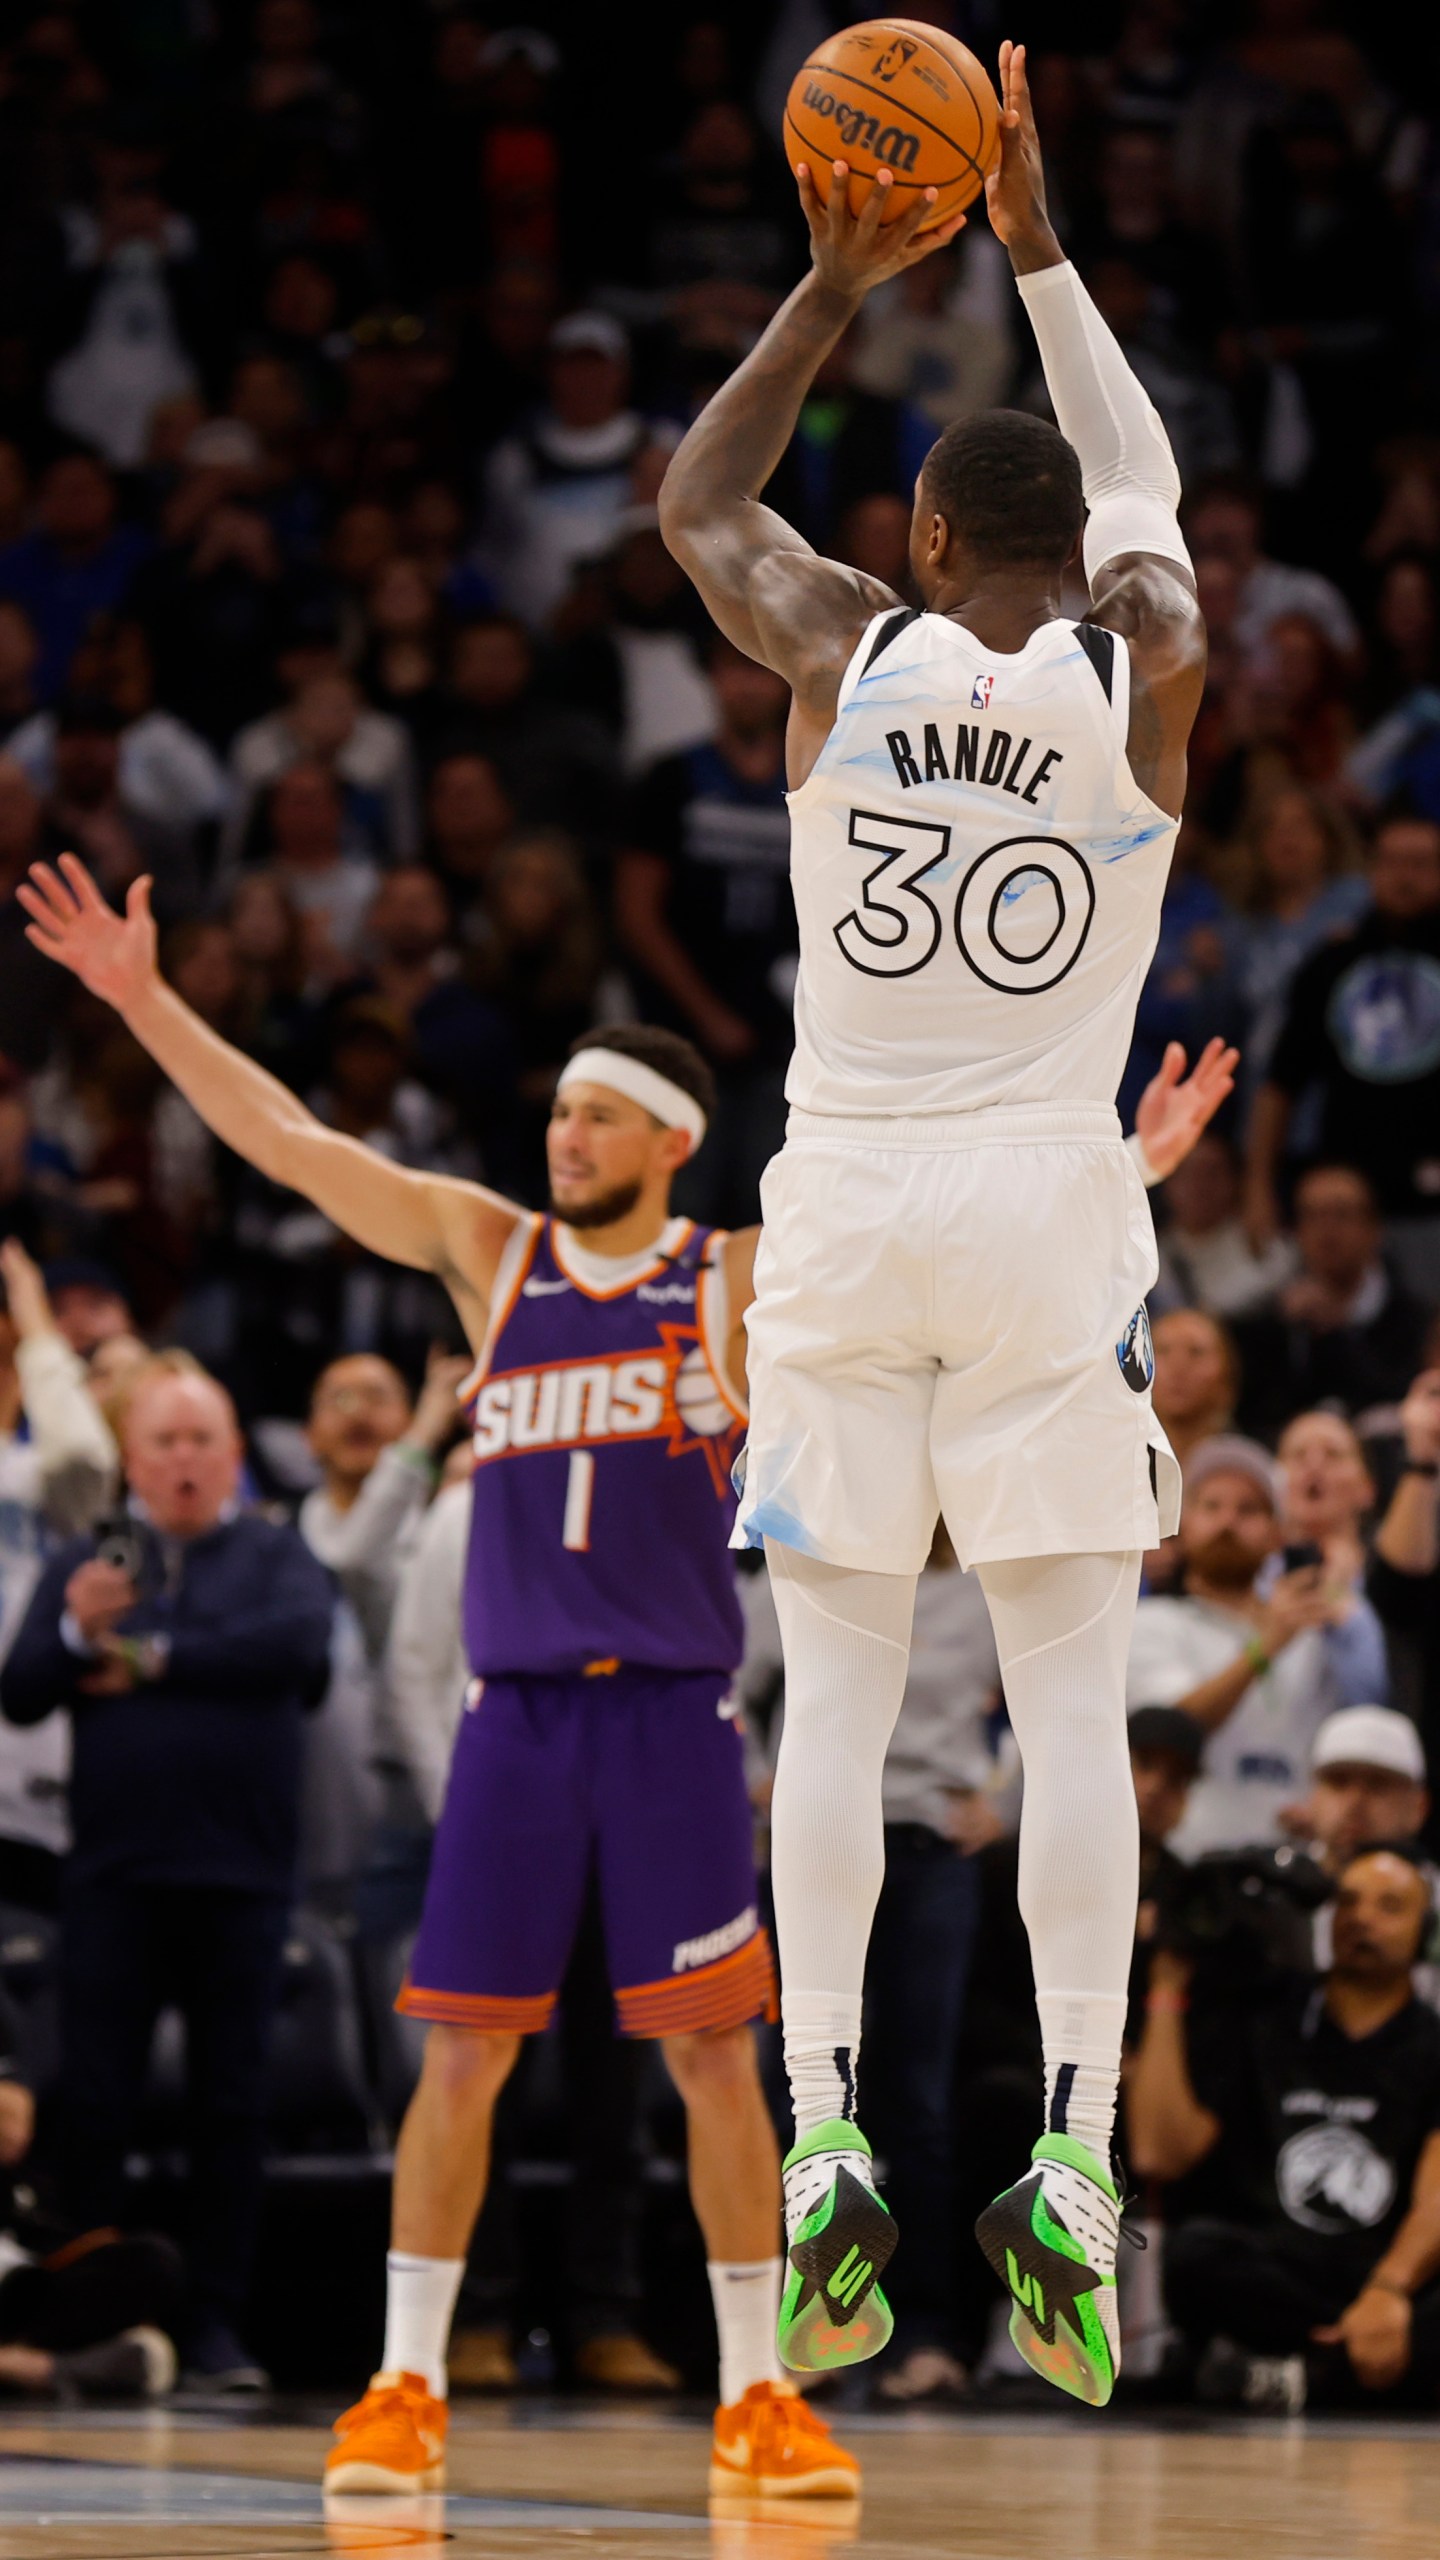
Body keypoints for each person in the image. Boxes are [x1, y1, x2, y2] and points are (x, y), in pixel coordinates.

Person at [10, 846, 863, 2503]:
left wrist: (1122, 1167)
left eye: (600, 1116)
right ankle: (404, 2385)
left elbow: (912, 1218)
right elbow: (292, 1140)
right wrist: (144, 1001)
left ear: (673, 1142)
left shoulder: (733, 1280)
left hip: (674, 1713)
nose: (567, 1135)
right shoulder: (497, 1256)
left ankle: (760, 2392)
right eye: (559, 1113)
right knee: (460, 2051)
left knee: (708, 2057)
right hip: (519, 1719)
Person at [657, 40, 1206, 2406]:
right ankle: (1069, 2146)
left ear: (904, 538)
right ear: (1056, 555)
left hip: (845, 1199)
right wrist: (1038, 242)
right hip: (1039, 1199)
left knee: (839, 1698)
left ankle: (822, 2142)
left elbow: (694, 497)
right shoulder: (1138, 675)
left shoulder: (831, 654)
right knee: (1069, 1687)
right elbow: (1146, 495)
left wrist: (823, 283)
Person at [0, 1359, 335, 2389]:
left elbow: (294, 1650)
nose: (185, 1459)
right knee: (95, 2104)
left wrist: (142, 1657)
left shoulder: (278, 1554)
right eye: (165, 1441)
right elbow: (21, 1689)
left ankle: (219, 2329)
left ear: (234, 1454)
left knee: (231, 2111)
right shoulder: (87, 1560)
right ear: (131, 1459)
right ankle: (90, 2318)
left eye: (202, 1440)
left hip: (240, 1878)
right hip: (112, 1877)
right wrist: (72, 1627)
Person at [1128, 1847, 1440, 2413]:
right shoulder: (1264, 2015)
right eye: (1348, 1902)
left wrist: (1388, 2291)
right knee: (1197, 2254)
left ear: (1425, 1933)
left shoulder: (1432, 2043)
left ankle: (1285, 2380)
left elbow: (1437, 2198)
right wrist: (1168, 1984)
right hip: (1280, 2273)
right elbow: (1157, 2154)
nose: (1362, 1918)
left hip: (1384, 2277)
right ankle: (1344, 2380)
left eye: (1390, 1906)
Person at [1127, 1435, 1388, 1859]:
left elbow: (1352, 1735)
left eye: (1248, 1510)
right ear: (1183, 1525)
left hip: (1293, 1866)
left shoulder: (1313, 1637)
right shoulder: (1150, 1624)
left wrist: (1326, 1805)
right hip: (1187, 1856)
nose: (1228, 1521)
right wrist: (1265, 1646)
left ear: (1277, 1533)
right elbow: (1169, 1726)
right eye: (1211, 1506)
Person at [1243, 812, 1440, 1297]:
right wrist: (1257, 1188)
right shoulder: (1334, 960)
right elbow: (1279, 1084)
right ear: (1372, 870)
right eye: (1392, 861)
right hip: (1344, 1199)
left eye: (1420, 863)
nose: (1404, 875)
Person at [1232, 1164, 1433, 1436]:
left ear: (1374, 1229)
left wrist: (1335, 1332)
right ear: (1296, 1231)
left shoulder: (1418, 1320)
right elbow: (1258, 1413)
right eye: (1313, 1215)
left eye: (1342, 1215)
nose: (1327, 1230)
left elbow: (1403, 1398)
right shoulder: (1271, 1318)